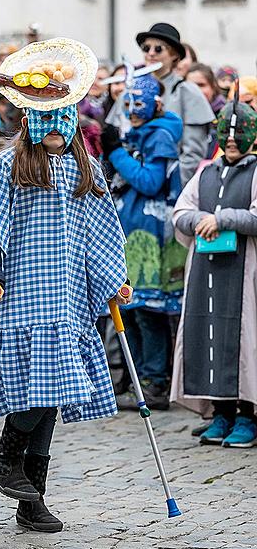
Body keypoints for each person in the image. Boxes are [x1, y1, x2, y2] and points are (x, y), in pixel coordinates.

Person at [0, 38, 131, 533]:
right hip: (18, 297)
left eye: (64, 121)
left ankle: (31, 497)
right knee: (38, 388)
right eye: (46, 122)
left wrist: (115, 281)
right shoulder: (8, 169)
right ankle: (6, 461)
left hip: (64, 298)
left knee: (52, 388)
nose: (56, 132)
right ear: (31, 121)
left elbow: (99, 230)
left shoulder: (81, 170)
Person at [171, 100, 257, 448]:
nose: (232, 140)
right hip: (204, 271)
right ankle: (221, 413)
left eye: (239, 133)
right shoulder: (206, 172)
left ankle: (248, 416)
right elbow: (181, 211)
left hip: (244, 273)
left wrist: (223, 219)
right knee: (207, 335)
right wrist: (198, 221)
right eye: (227, 132)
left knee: (244, 341)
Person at [101, 72, 183, 410]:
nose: (133, 110)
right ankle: (135, 381)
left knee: (148, 311)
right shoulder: (133, 134)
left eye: (139, 104)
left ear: (155, 105)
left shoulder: (160, 136)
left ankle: (154, 383)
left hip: (149, 236)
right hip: (127, 233)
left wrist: (116, 152)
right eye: (128, 103)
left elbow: (150, 182)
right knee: (128, 310)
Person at [136, 23, 214, 186]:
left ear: (173, 55)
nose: (150, 53)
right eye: (146, 48)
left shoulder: (187, 91)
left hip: (169, 185)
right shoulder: (132, 89)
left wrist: (173, 188)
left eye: (158, 49)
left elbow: (193, 152)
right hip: (132, 179)